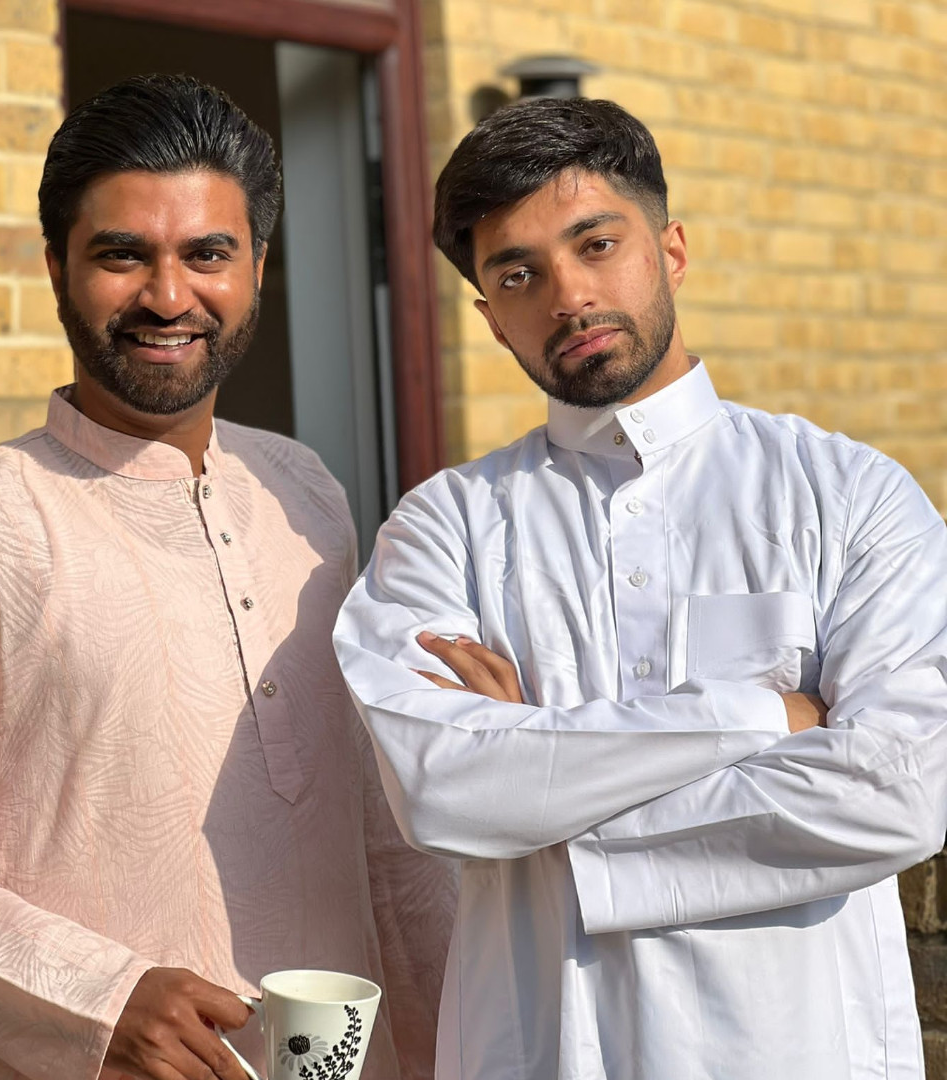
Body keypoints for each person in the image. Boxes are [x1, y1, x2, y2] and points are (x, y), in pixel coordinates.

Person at [334, 96, 947, 1080]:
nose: (568, 296)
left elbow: (898, 796)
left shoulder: (851, 495)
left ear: (671, 251)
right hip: (539, 1050)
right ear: (491, 320)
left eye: (596, 243)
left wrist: (541, 792)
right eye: (520, 273)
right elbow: (442, 790)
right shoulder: (444, 526)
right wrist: (767, 718)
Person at [0, 74, 453, 1080]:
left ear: (259, 266)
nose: (169, 297)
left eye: (208, 254)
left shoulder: (305, 493)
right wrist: (101, 1000)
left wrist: (462, 1039)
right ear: (56, 266)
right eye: (122, 254)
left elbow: (375, 829)